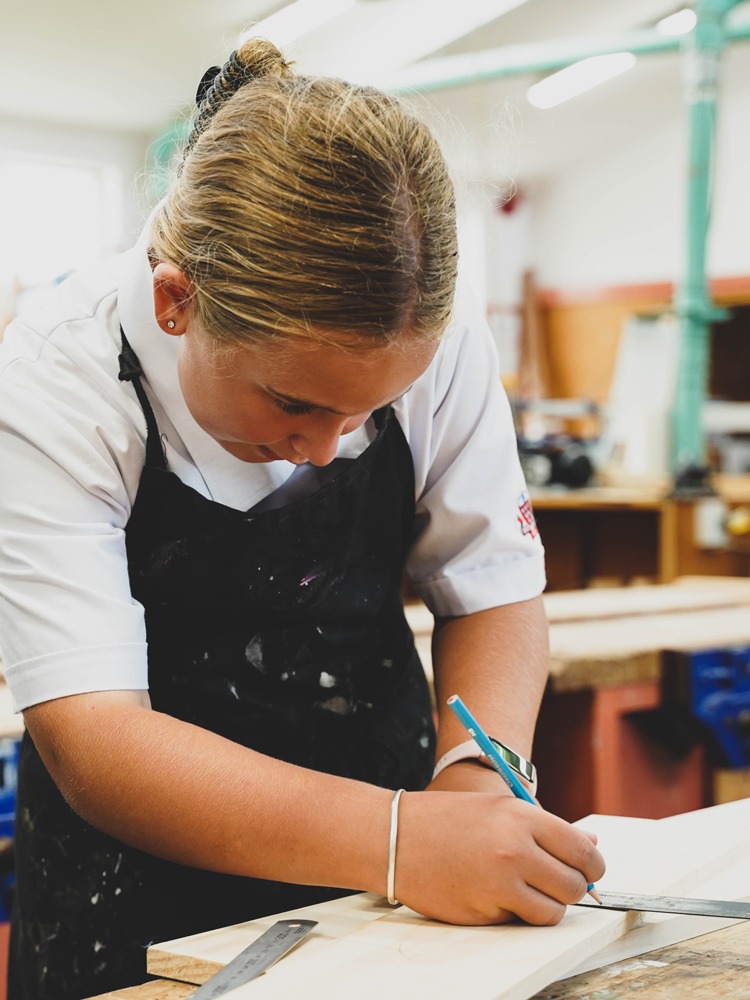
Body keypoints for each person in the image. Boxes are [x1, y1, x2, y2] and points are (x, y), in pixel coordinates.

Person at [0, 38, 604, 999]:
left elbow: (492, 587)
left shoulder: (430, 336)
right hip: (128, 898)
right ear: (174, 303)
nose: (330, 449)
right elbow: (97, 739)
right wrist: (403, 839)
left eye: (369, 412)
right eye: (294, 404)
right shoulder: (53, 383)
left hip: (394, 889)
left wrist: (477, 778)